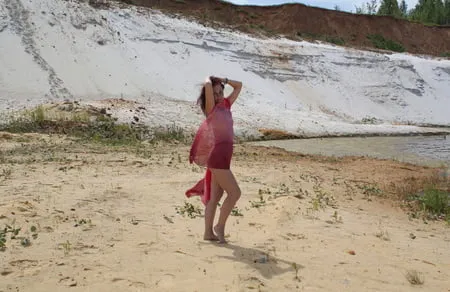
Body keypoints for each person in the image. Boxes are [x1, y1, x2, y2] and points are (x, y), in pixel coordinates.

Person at [185, 76, 243, 244]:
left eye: (220, 92)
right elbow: (208, 84)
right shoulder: (211, 108)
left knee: (215, 197)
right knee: (235, 193)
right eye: (215, 93)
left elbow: (239, 86)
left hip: (225, 156)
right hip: (217, 156)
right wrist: (209, 79)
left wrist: (224, 79)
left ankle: (208, 233)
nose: (218, 96)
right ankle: (220, 227)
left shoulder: (226, 104)